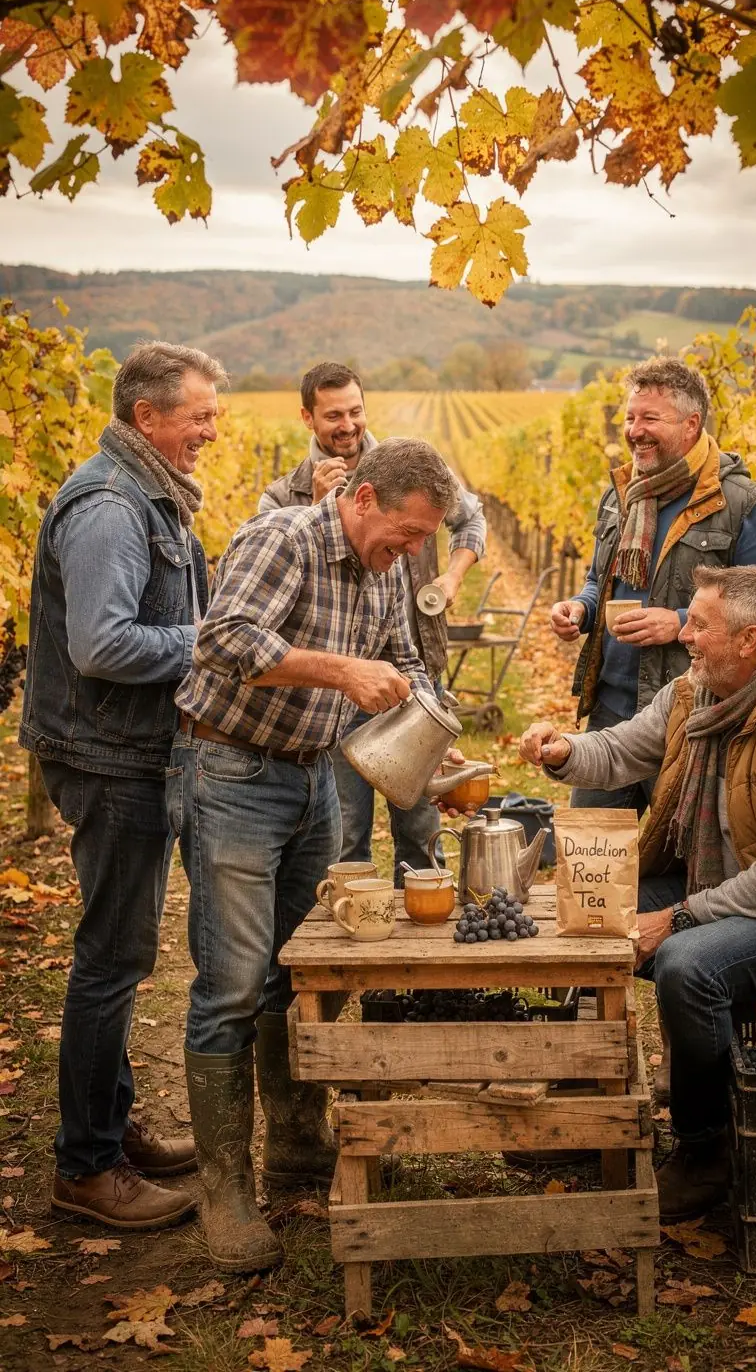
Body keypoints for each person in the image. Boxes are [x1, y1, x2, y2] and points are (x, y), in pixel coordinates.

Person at [173, 438, 460, 1272]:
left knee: (294, 970)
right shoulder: (286, 538)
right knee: (229, 982)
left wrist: (428, 719)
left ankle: (297, 1143)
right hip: (230, 769)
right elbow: (221, 640)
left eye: (420, 541)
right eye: (404, 534)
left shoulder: (391, 563)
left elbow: (405, 659)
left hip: (313, 781)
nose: (409, 552)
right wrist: (341, 673)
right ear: (364, 498)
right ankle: (222, 1188)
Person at [520, 565, 756, 1220]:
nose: (683, 635)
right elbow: (624, 749)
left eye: (697, 625)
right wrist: (565, 749)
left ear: (749, 639)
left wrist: (675, 919)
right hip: (717, 884)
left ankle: (704, 1151)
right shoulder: (694, 695)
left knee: (688, 966)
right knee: (588, 897)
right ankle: (583, 1104)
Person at [19, 341, 224, 1231]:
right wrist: (211, 643)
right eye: (200, 417)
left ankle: (110, 1125)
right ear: (148, 417)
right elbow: (103, 646)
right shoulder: (110, 506)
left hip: (127, 750)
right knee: (112, 958)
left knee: (122, 950)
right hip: (108, 756)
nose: (212, 432)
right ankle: (87, 1168)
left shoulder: (151, 494)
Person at [259, 362, 486, 883]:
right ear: (307, 418)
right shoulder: (284, 495)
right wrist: (320, 510)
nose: (347, 425)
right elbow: (262, 597)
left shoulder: (410, 467)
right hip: (329, 694)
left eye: (355, 411)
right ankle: (356, 927)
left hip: (410, 675)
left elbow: (470, 516)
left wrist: (451, 578)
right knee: (345, 825)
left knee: (422, 817)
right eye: (333, 415)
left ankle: (427, 916)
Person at [551, 356, 756, 817]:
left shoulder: (743, 505)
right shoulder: (621, 495)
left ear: (691, 424)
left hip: (693, 716)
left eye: (649, 418)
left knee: (683, 868)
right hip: (612, 711)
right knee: (589, 856)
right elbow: (598, 581)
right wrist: (580, 610)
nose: (634, 430)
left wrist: (681, 622)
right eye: (629, 418)